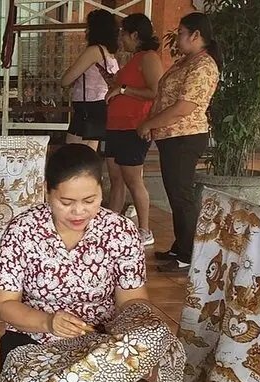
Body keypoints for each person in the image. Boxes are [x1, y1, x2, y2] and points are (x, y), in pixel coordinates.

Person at [0, 144, 148, 382]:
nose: (79, 212)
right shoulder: (22, 231)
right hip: (31, 340)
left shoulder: (120, 232)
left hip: (100, 343)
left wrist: (133, 336)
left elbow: (133, 300)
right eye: (66, 202)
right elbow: (5, 304)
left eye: (89, 200)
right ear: (47, 191)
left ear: (101, 191)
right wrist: (48, 322)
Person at [137, 12, 220, 273]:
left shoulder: (203, 66)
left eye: (182, 33)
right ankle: (180, 245)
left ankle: (188, 254)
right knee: (175, 193)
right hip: (171, 137)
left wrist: (149, 123)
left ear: (196, 35)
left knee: (182, 195)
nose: (178, 38)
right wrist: (153, 122)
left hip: (185, 136)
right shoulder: (186, 61)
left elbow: (184, 107)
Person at [105, 13, 163, 247]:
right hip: (116, 125)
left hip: (133, 126)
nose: (121, 38)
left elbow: (155, 92)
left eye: (124, 34)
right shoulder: (133, 59)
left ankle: (145, 229)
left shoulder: (149, 58)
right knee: (116, 178)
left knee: (133, 179)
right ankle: (110, 226)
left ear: (135, 35)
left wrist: (123, 90)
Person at [61, 9, 119, 151]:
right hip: (100, 105)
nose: (86, 31)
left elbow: (65, 80)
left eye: (88, 27)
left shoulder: (93, 51)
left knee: (73, 153)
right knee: (90, 152)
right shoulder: (108, 53)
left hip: (87, 107)